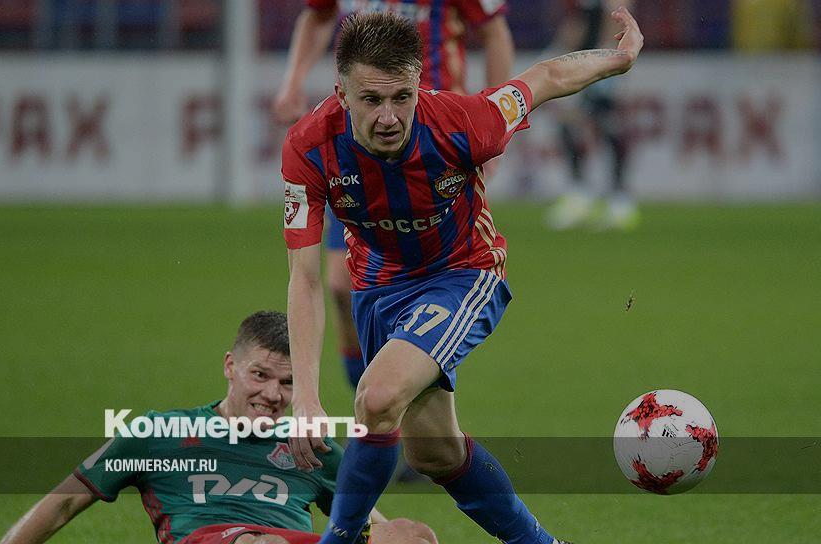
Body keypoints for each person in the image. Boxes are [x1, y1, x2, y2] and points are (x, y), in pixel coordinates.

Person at [283, 9, 642, 544]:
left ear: (418, 87)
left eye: (402, 97)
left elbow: (545, 77)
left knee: (377, 398)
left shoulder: (463, 122)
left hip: (462, 272)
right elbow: (306, 279)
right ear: (341, 93)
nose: (389, 117)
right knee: (435, 451)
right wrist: (306, 398)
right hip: (378, 285)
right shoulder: (308, 147)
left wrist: (619, 59)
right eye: (371, 100)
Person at [0, 311, 437, 544]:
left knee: (414, 537)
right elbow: (61, 504)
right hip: (216, 540)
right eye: (260, 375)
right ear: (230, 366)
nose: (272, 394)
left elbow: (371, 526)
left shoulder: (311, 447)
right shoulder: (157, 433)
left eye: (288, 383)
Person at [273, 0, 515, 391]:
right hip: (364, 145)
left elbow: (494, 32)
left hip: (433, 143)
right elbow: (317, 16)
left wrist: (489, 135)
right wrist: (293, 79)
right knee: (341, 285)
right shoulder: (322, 140)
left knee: (434, 273)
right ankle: (374, 403)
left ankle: (388, 395)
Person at [545, 0, 639, 231]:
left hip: (607, 61)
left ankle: (619, 200)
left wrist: (609, 57)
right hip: (587, 62)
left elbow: (616, 15)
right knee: (571, 126)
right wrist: (558, 51)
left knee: (608, 126)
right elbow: (580, 21)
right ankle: (582, 195)